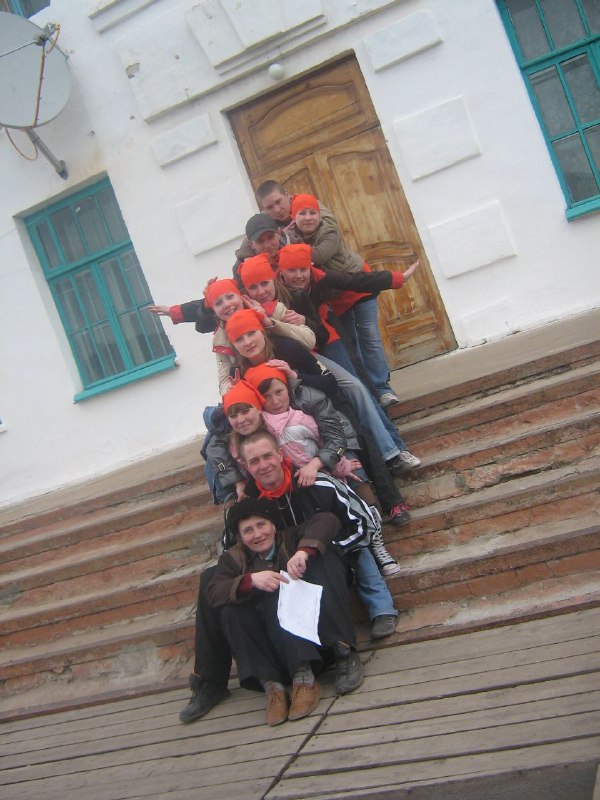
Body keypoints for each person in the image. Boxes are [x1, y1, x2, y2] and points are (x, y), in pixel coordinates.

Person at [179, 430, 399, 725]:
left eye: (267, 456)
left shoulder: (314, 481)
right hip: (277, 574)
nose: (263, 465)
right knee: (212, 578)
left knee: (318, 560)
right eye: (254, 461)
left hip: (328, 566)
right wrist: (254, 576)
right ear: (246, 467)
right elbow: (234, 548)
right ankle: (210, 681)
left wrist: (312, 549)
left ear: (280, 454)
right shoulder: (249, 501)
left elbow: (364, 524)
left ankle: (344, 653)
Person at [206, 498, 363, 726]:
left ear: (273, 525)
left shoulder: (291, 538)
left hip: (308, 646)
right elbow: (214, 592)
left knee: (295, 579)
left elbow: (327, 520)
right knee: (230, 611)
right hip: (268, 650)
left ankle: (305, 678)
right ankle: (273, 687)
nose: (257, 534)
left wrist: (302, 552)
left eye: (261, 525)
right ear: (240, 537)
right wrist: (250, 581)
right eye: (248, 530)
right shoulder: (233, 559)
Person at [289, 193, 405, 409]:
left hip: (359, 286)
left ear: (320, 214)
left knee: (369, 336)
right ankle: (370, 391)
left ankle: (382, 388)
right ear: (293, 217)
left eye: (312, 212)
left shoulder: (328, 230)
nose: (308, 217)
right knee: (351, 344)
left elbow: (318, 256)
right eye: (302, 213)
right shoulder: (291, 238)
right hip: (336, 296)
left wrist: (290, 252)